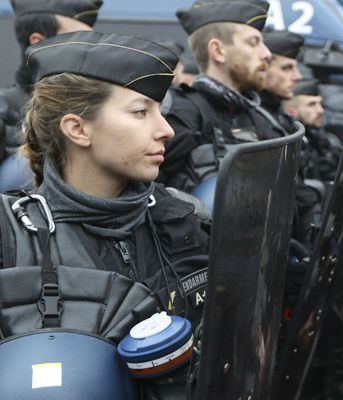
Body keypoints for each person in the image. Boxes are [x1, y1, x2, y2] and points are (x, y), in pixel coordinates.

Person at [0, 31, 211, 399]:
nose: (166, 130)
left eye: (160, 111)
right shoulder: (11, 236)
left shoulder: (183, 216)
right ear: (78, 129)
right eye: (141, 112)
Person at [158, 0, 280, 191]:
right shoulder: (181, 114)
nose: (267, 54)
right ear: (218, 51)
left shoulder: (264, 120)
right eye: (253, 42)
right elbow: (141, 195)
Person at [0, 0, 102, 162]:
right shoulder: (4, 112)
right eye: (78, 39)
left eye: (91, 41)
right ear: (39, 42)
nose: (90, 49)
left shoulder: (101, 108)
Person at [284, 79, 343, 183]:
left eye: (320, 103)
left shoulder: (315, 136)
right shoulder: (288, 142)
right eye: (311, 104)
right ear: (291, 112)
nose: (321, 110)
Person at [260, 29, 304, 135]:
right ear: (263, 68)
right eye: (287, 68)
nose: (298, 77)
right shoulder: (247, 116)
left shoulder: (279, 115)